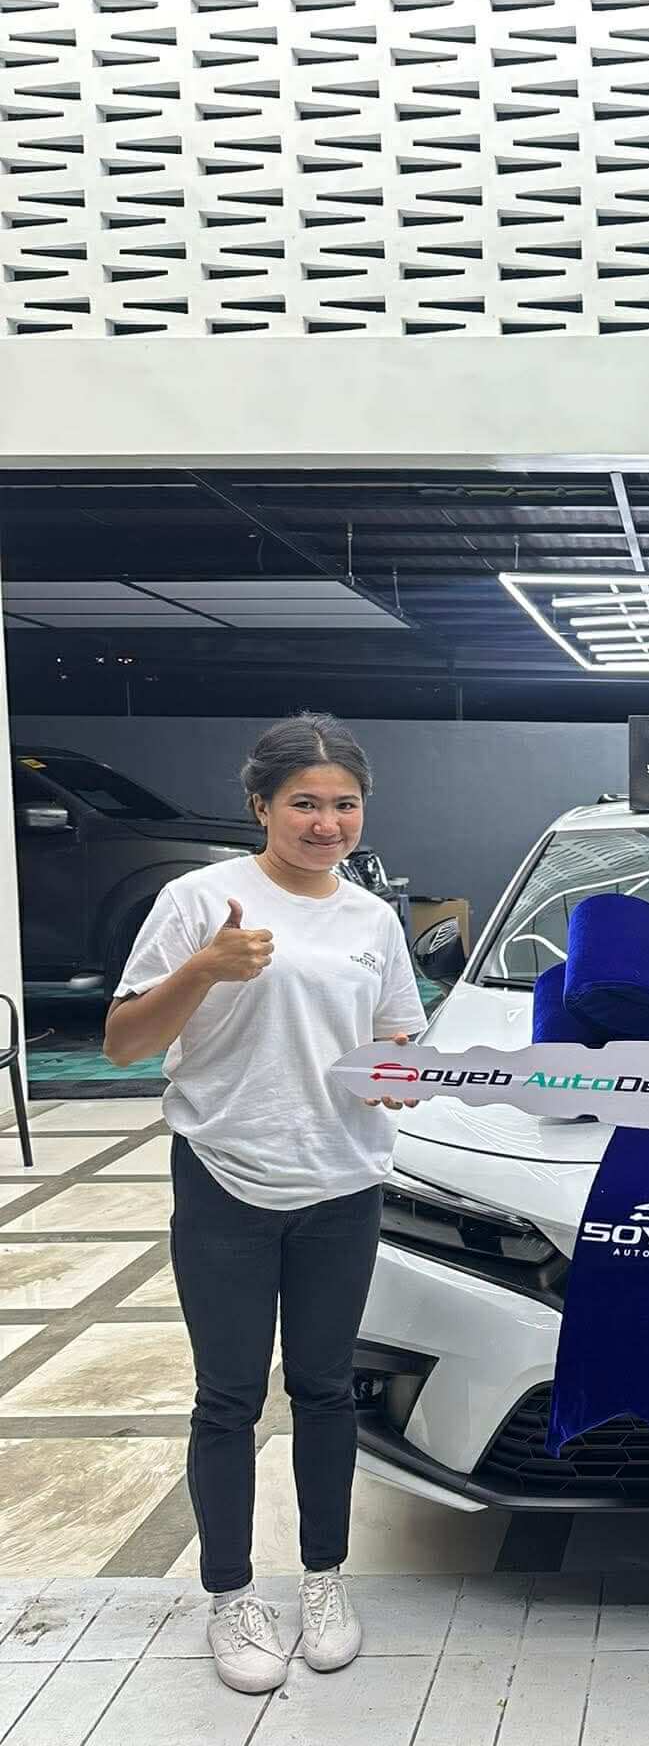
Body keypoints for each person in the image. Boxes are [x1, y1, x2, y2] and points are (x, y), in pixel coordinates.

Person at [104, 714, 427, 1694]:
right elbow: (123, 1043)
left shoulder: (371, 920)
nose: (327, 823)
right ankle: (231, 1594)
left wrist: (401, 1076)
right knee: (228, 1396)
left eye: (344, 804)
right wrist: (204, 968)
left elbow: (397, 1038)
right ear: (261, 806)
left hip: (342, 1183)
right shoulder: (198, 900)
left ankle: (324, 1579)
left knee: (326, 1389)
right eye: (304, 803)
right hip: (225, 1177)